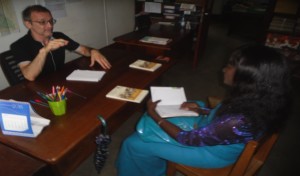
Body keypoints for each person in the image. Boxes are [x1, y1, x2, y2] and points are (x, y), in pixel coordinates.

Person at [115, 44, 291, 176]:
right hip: (218, 136)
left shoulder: (239, 119)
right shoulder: (259, 98)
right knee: (182, 108)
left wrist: (155, 116)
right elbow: (225, 122)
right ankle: (155, 168)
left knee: (134, 144)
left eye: (230, 66)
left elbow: (187, 139)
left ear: (247, 77)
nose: (224, 69)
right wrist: (202, 110)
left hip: (210, 153)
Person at [10, 5, 111, 81]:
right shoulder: (19, 45)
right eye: (42, 22)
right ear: (28, 24)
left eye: (51, 21)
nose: (50, 26)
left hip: (61, 81)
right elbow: (30, 76)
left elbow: (83, 50)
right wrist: (44, 51)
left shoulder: (58, 36)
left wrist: (93, 51)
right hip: (39, 89)